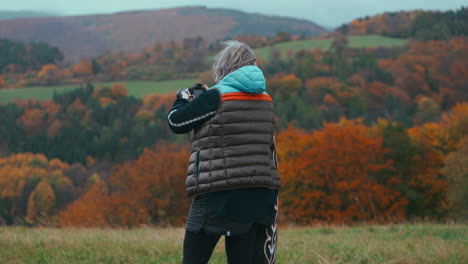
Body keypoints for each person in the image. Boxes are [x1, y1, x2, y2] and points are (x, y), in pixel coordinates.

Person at [167, 40, 280, 264]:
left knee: (193, 258)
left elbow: (176, 122)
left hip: (217, 194)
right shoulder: (266, 99)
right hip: (259, 196)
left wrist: (183, 98)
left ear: (223, 67)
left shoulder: (216, 96)